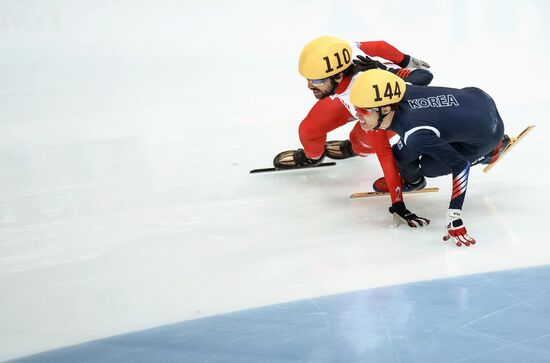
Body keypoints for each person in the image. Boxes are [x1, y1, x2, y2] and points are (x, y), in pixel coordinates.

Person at [274, 35, 432, 228]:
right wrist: (406, 60)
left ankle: (356, 149)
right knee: (308, 131)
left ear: (338, 75)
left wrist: (397, 202)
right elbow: (380, 46)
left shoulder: (369, 100)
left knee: (361, 142)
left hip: (378, 108)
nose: (309, 86)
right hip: (348, 94)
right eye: (307, 79)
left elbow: (383, 152)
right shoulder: (344, 51)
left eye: (315, 80)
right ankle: (313, 156)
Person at [349, 69, 506, 246]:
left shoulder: (415, 134)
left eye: (363, 110)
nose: (357, 115)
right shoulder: (399, 89)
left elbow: (460, 165)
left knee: (429, 168)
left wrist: (454, 216)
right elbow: (423, 75)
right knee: (400, 155)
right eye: (356, 109)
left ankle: (490, 153)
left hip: (488, 133)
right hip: (477, 97)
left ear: (385, 109)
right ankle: (415, 182)